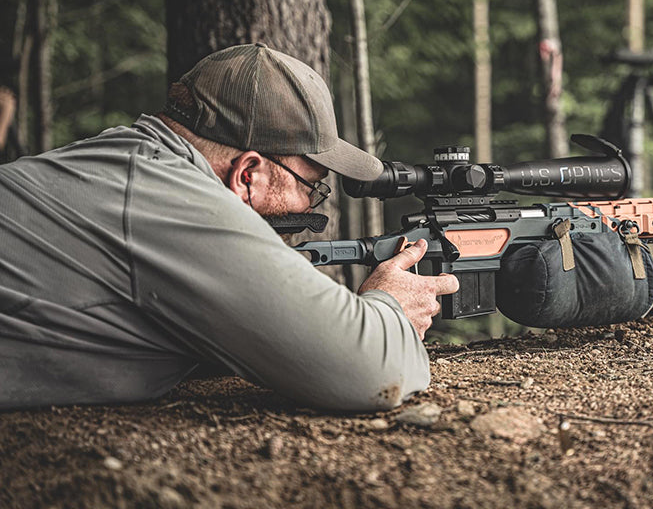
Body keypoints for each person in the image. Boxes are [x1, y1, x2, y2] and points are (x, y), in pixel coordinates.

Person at [0, 43, 458, 412]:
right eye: (311, 187)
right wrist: (391, 306)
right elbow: (372, 371)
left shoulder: (125, 164)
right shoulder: (174, 199)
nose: (309, 206)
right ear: (248, 175)